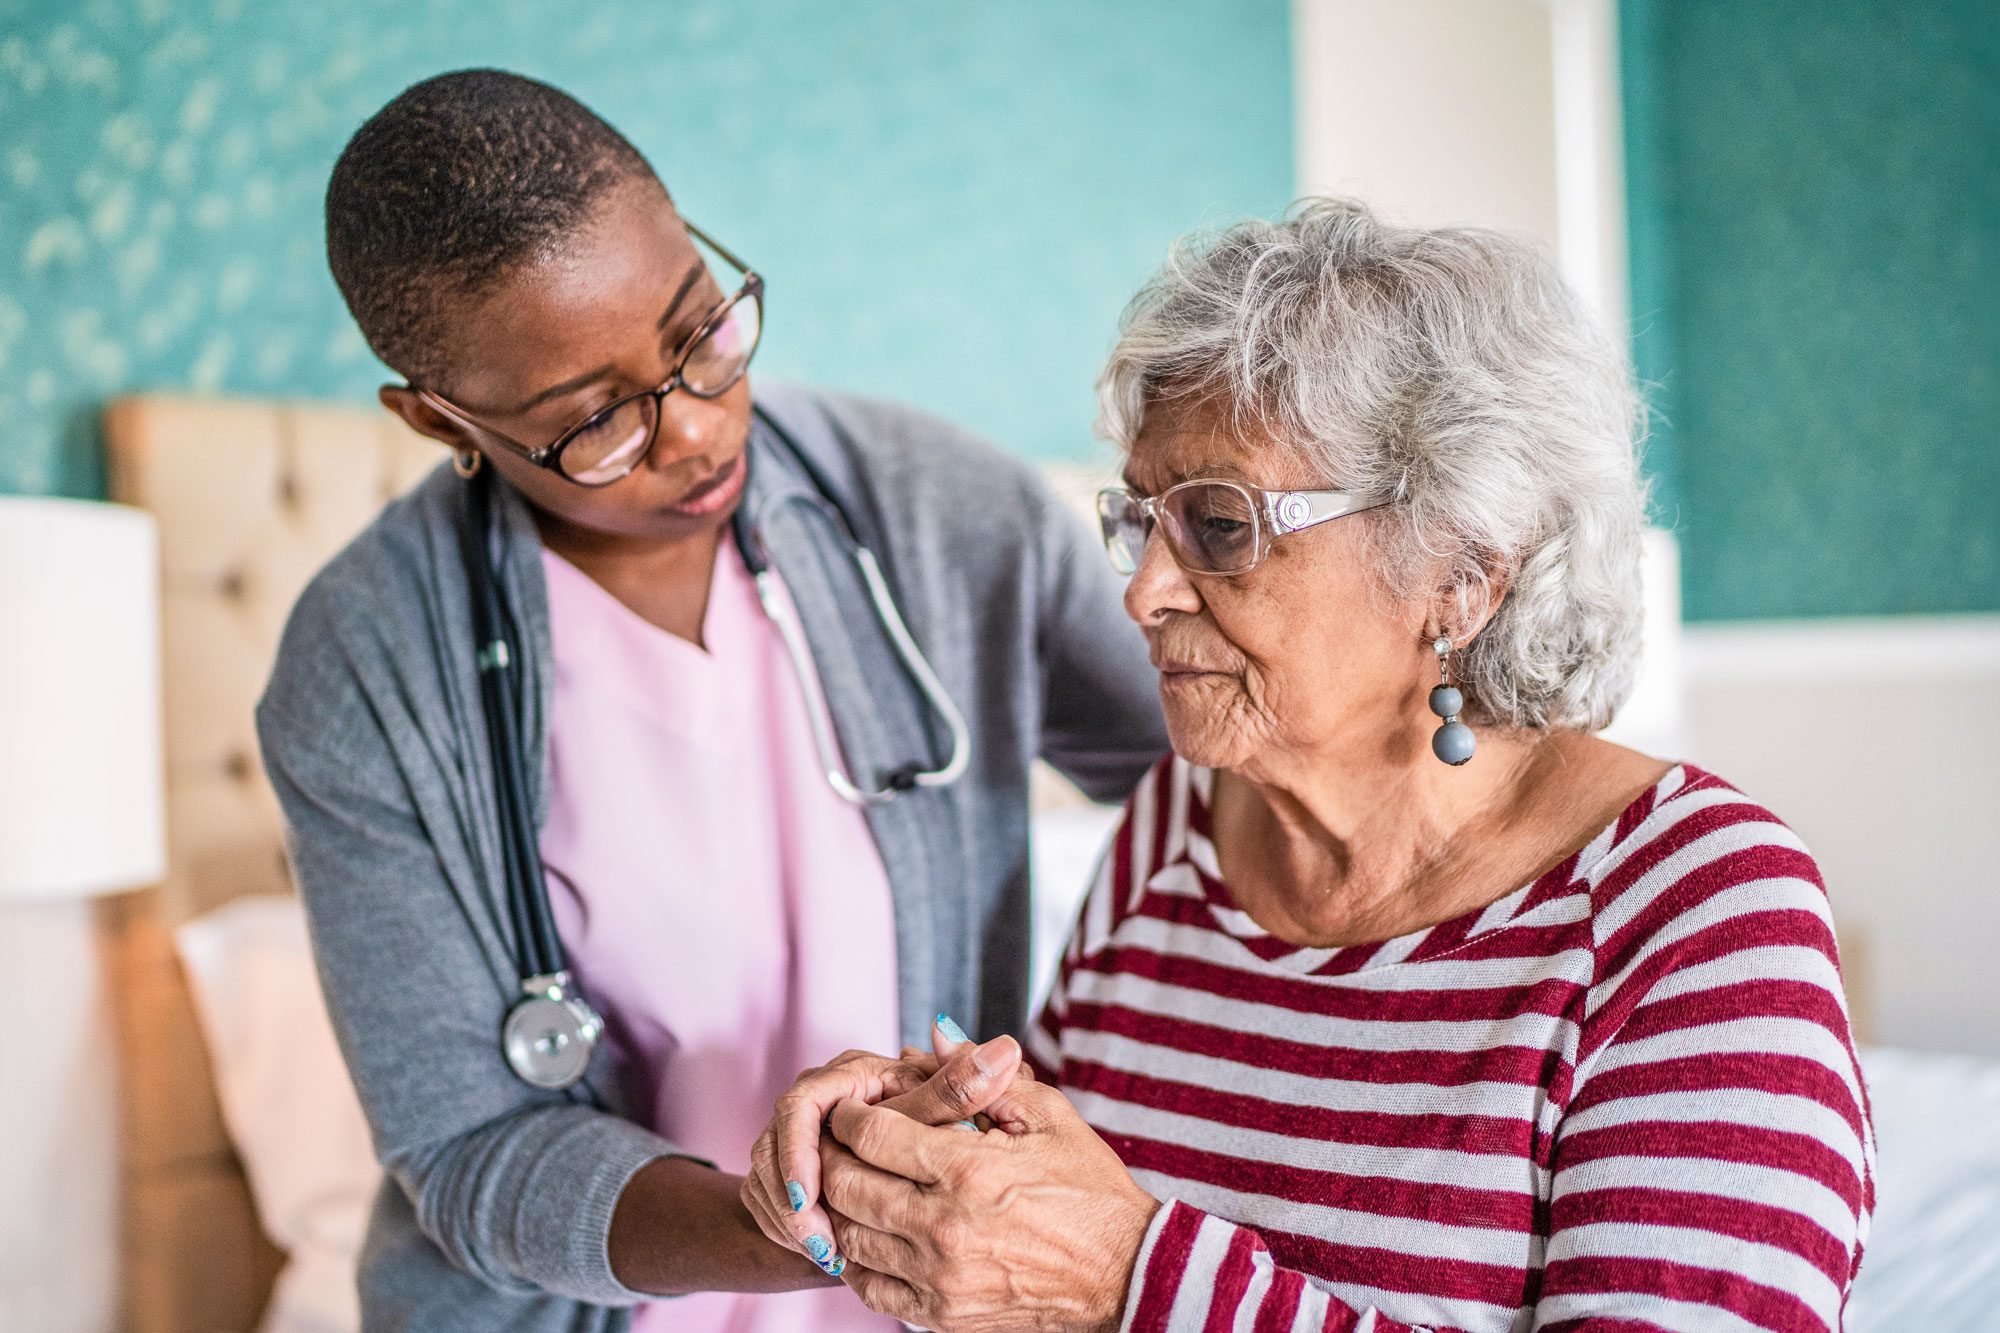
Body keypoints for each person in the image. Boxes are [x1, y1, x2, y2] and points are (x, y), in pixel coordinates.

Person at [746, 199, 1875, 1332]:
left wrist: (1129, 1281)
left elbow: (1099, 1264)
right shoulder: (1173, 828)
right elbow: (1044, 1238)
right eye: (1140, 520)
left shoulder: (1696, 905)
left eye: (1220, 526)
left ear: (1458, 576)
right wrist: (921, 1162)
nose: (1143, 592)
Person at [255, 69, 1166, 1331]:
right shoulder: (366, 666)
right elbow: (469, 1145)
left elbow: (1237, 793)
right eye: (594, 422)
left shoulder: (948, 514)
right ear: (437, 418)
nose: (690, 429)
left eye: (701, 330)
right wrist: (797, 1219)